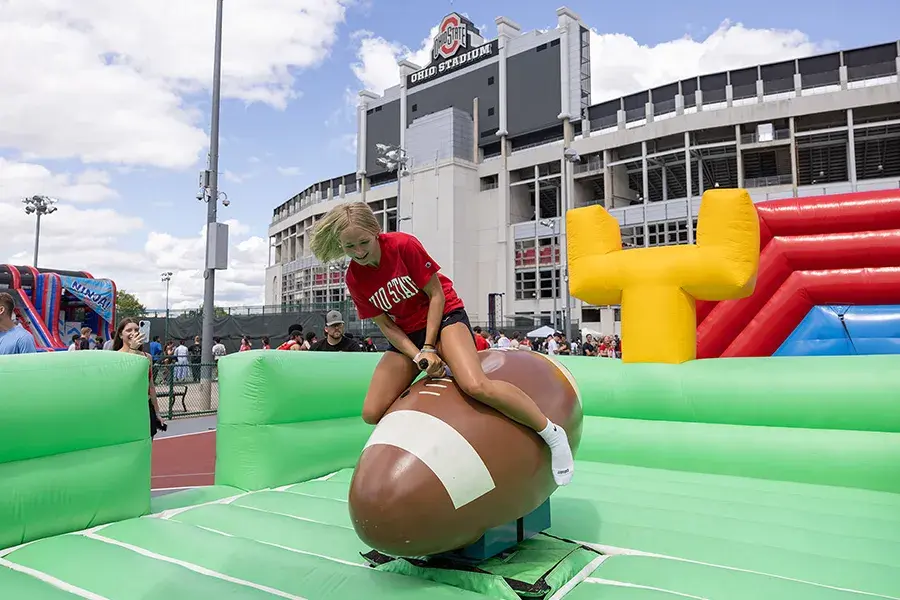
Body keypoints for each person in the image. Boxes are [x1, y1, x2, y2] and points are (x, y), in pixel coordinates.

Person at [309, 202, 574, 485]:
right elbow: (385, 324)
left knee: (475, 385)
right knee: (371, 412)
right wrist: (417, 356)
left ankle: (551, 433)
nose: (359, 252)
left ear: (376, 231)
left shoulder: (403, 245)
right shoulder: (353, 278)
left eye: (363, 242)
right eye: (350, 247)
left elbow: (436, 295)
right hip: (406, 334)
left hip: (445, 315)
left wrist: (429, 347)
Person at [113, 318, 167, 438]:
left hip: (145, 405)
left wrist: (157, 412)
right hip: (126, 407)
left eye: (137, 329)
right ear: (121, 335)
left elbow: (151, 385)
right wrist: (132, 350)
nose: (134, 332)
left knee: (147, 441)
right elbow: (124, 379)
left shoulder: (146, 357)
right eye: (129, 330)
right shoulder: (115, 356)